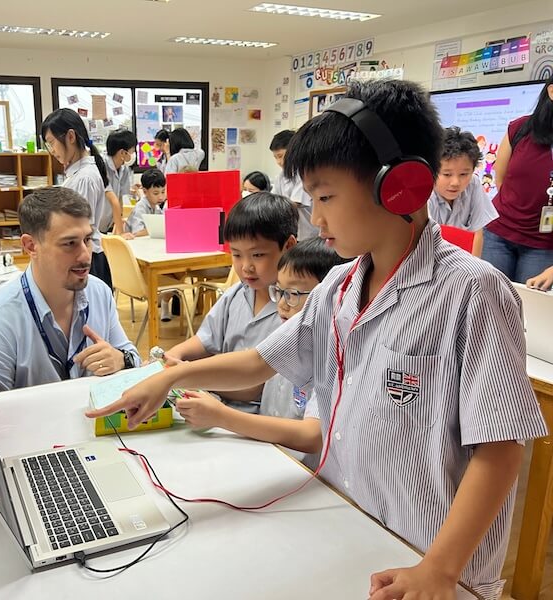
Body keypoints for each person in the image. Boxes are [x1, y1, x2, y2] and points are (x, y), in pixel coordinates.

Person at [88, 80, 548, 599]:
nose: (318, 217)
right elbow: (261, 363)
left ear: (397, 185)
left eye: (326, 196)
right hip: (349, 526)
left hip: (430, 562)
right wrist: (172, 376)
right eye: (312, 198)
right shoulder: (341, 284)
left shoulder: (473, 291)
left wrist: (440, 570)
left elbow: (502, 449)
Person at [177, 237, 348, 461]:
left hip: (303, 473)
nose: (282, 304)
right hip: (267, 455)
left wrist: (221, 415)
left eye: (293, 294)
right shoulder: (283, 335)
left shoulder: (331, 356)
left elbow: (310, 435)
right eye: (279, 291)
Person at [0, 187, 140, 393]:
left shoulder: (99, 293)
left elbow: (132, 357)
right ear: (31, 246)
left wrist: (120, 359)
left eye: (87, 240)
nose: (86, 256)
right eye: (70, 243)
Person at [163, 191, 298, 411]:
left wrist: (187, 375)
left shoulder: (292, 310)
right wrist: (175, 354)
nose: (246, 266)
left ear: (289, 246)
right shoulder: (238, 294)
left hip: (254, 419)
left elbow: (253, 387)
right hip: (214, 405)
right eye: (236, 255)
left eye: (257, 255)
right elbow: (206, 339)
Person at [481, 74, 553, 282]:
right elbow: (500, 179)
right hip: (499, 234)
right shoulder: (521, 128)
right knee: (490, 301)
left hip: (543, 244)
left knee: (528, 308)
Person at [42, 108, 113, 288]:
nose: (52, 151)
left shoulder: (84, 178)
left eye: (52, 143)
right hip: (81, 257)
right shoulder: (78, 173)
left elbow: (79, 229)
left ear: (70, 137)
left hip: (85, 260)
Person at [428, 127, 497, 256]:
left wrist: (474, 268)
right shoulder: (425, 194)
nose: (455, 182)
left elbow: (477, 233)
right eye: (447, 174)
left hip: (462, 261)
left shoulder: (474, 184)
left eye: (464, 174)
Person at [270, 129, 318, 240]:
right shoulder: (281, 176)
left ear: (294, 151)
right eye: (276, 157)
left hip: (310, 234)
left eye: (281, 156)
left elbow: (293, 204)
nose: (279, 162)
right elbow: (273, 199)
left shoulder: (304, 173)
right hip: (293, 232)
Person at [101, 129, 137, 234]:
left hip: (109, 223)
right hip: (95, 221)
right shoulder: (102, 166)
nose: (133, 154)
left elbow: (120, 198)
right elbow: (113, 200)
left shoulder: (124, 169)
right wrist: (121, 234)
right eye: (132, 151)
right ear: (122, 153)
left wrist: (118, 224)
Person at [123, 168, 165, 239]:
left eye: (163, 192)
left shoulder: (156, 207)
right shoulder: (140, 208)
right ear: (145, 191)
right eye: (156, 193)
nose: (161, 197)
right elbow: (137, 233)